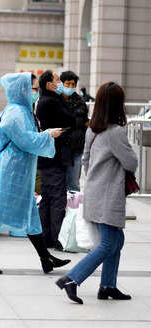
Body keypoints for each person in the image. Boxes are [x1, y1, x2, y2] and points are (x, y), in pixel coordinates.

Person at [0, 72, 69, 274]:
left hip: (20, 171)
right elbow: (25, 140)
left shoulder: (23, 110)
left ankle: (46, 258)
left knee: (30, 215)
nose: (36, 92)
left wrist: (44, 135)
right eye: (34, 89)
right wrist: (47, 135)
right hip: (12, 171)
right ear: (23, 89)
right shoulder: (16, 112)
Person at [56, 82, 137, 304]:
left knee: (116, 240)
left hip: (94, 190)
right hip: (108, 195)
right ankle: (72, 279)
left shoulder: (92, 128)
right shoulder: (116, 132)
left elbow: (85, 160)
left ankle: (108, 286)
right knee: (109, 243)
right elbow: (131, 162)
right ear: (118, 105)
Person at [36, 71, 75, 250]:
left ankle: (46, 236)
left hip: (48, 157)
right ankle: (56, 237)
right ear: (49, 84)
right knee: (57, 198)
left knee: (48, 198)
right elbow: (70, 119)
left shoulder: (45, 100)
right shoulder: (51, 101)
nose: (61, 84)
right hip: (53, 157)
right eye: (58, 80)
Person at [60, 71, 89, 192]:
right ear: (61, 84)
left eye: (73, 84)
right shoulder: (55, 100)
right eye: (68, 84)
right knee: (58, 184)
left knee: (73, 185)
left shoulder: (80, 101)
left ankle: (73, 210)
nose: (70, 87)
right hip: (60, 148)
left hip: (77, 148)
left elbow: (85, 121)